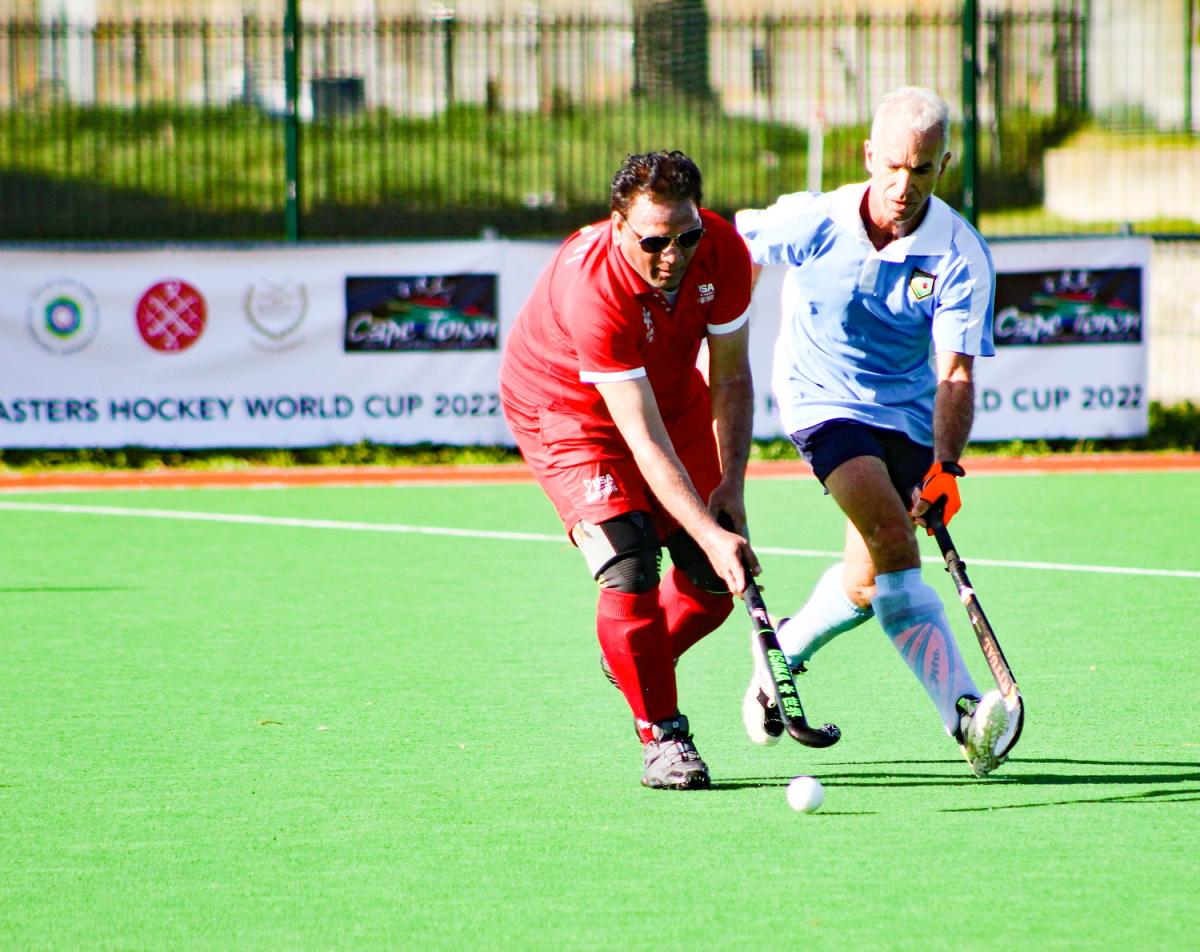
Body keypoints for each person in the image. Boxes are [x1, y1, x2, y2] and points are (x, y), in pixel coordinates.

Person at [735, 86, 1017, 777]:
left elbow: (955, 375)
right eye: (892, 166)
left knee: (866, 583)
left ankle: (782, 653)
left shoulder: (959, 253)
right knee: (894, 539)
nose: (903, 185)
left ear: (942, 166)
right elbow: (728, 244)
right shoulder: (816, 220)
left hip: (909, 411)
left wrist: (946, 465)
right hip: (820, 399)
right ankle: (965, 716)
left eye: (920, 170)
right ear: (868, 156)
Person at [500, 150, 759, 791]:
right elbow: (641, 442)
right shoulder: (592, 288)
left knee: (712, 581)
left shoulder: (723, 251)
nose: (673, 256)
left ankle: (636, 656)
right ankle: (663, 737)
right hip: (567, 411)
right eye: (654, 242)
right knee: (630, 561)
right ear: (619, 226)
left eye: (685, 237)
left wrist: (730, 487)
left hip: (671, 395)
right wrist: (707, 528)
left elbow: (730, 376)